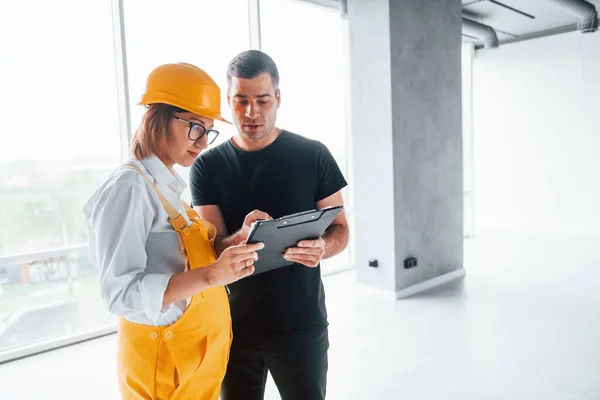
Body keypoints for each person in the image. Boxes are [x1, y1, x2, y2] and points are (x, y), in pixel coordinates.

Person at [83, 62, 265, 400]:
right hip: (164, 369)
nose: (203, 142)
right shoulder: (130, 188)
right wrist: (213, 276)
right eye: (196, 127)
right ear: (159, 118)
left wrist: (233, 241)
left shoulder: (165, 189)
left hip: (193, 365)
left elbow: (178, 261)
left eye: (208, 131)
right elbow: (120, 294)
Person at [190, 50, 350, 400]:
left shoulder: (314, 155)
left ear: (278, 97)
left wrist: (324, 247)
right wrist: (240, 238)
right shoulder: (206, 167)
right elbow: (210, 247)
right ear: (228, 100)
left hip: (301, 326)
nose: (252, 112)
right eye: (241, 101)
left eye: (262, 100)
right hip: (232, 327)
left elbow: (340, 229)